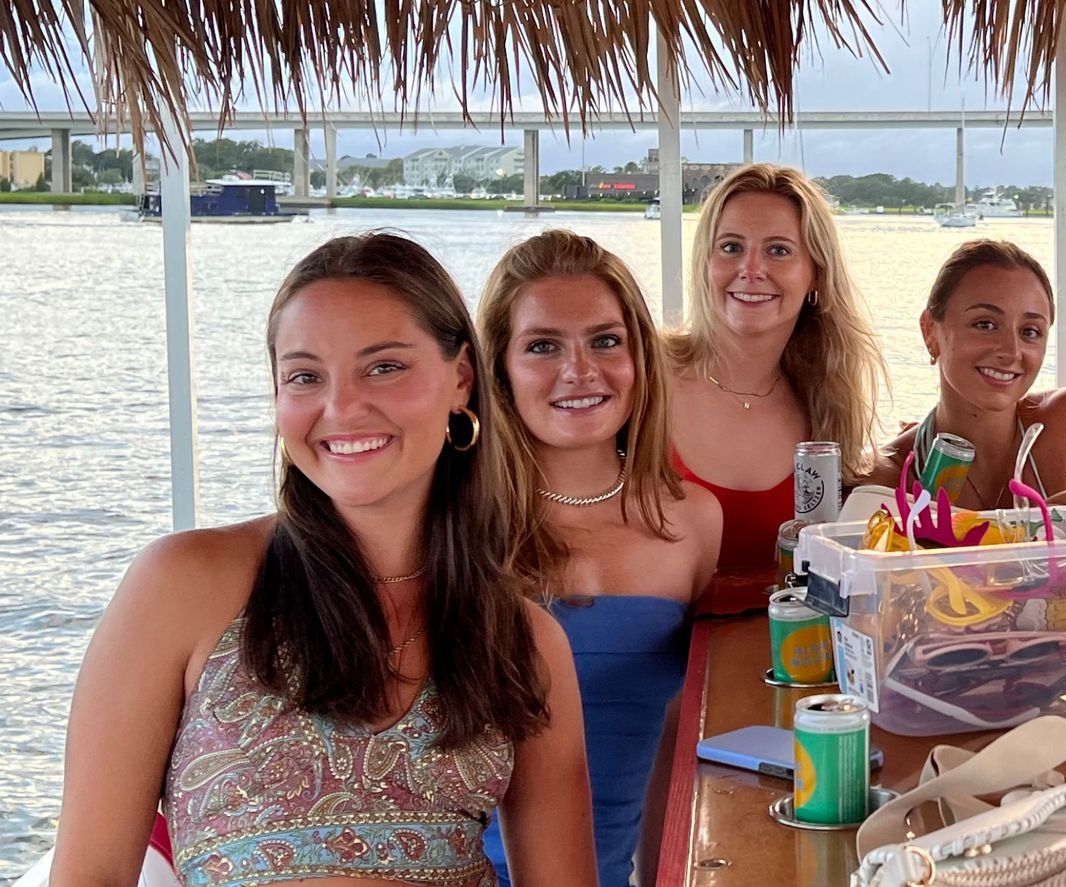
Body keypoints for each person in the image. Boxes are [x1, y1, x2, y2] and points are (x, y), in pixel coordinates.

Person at [56, 233, 593, 885]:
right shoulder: (184, 585)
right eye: (306, 376)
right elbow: (89, 874)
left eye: (384, 366)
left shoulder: (523, 642)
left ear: (461, 378)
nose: (341, 408)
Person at [475, 230, 722, 886]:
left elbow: (676, 736)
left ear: (640, 354)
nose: (579, 370)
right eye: (542, 346)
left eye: (605, 340)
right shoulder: (458, 526)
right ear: (498, 367)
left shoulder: (693, 520)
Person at [666, 163, 887, 602]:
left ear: (815, 277)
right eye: (730, 247)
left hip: (779, 657)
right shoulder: (645, 375)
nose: (751, 269)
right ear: (704, 265)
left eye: (779, 251)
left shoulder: (826, 402)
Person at [864, 240, 1066, 506]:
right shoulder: (887, 479)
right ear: (930, 331)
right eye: (985, 324)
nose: (1011, 351)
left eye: (1029, 331)